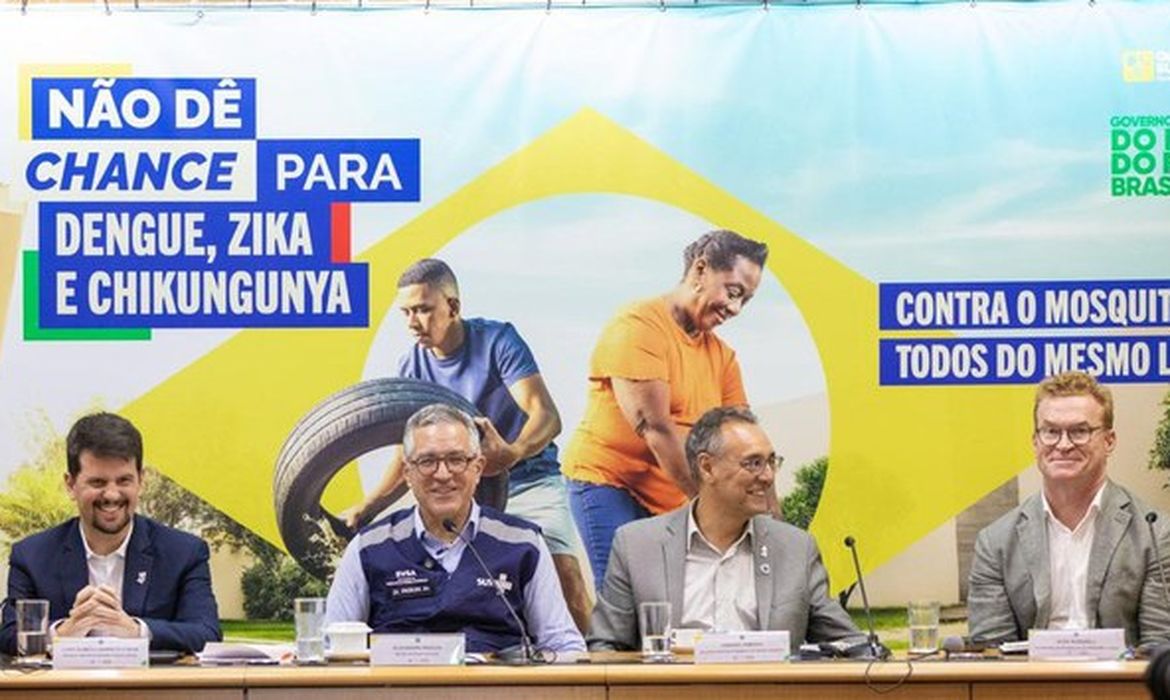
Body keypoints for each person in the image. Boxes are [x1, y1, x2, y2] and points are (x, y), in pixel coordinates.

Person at [345, 258, 590, 632]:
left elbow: (546, 415)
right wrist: (368, 506)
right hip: (458, 491)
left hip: (528, 480)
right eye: (406, 312)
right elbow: (407, 453)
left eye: (424, 310)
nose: (413, 322)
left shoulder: (497, 340)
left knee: (565, 574)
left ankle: (590, 671)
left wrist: (512, 453)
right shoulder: (411, 366)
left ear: (453, 307)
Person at [563, 229, 769, 589]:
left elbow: (745, 448)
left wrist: (769, 526)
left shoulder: (722, 357)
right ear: (701, 270)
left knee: (680, 599)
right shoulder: (637, 326)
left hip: (670, 490)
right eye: (733, 292)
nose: (735, 309)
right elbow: (655, 429)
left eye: (745, 301)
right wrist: (715, 512)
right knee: (630, 596)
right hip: (610, 481)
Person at [590, 406, 862, 653]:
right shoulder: (637, 545)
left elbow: (849, 644)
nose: (767, 476)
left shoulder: (795, 548)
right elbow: (605, 645)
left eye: (771, 462)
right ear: (707, 467)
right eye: (753, 463)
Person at [327, 403, 585, 655]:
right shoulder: (368, 547)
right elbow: (333, 647)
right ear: (407, 473)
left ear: (478, 468)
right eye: (427, 461)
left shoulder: (524, 544)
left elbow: (563, 646)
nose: (442, 474)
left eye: (456, 459)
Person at [968, 371, 1170, 648]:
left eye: (1080, 431)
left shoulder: (1156, 534)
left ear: (1109, 441)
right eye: (1051, 431)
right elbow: (991, 654)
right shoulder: (995, 543)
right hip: (1028, 689)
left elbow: (1160, 648)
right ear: (1035, 441)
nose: (1063, 445)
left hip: (1121, 688)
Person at [0, 412, 221, 654]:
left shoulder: (185, 553)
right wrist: (64, 633)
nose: (112, 495)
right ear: (70, 484)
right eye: (98, 483)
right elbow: (9, 636)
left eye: (124, 480)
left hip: (149, 692)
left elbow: (206, 633)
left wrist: (135, 630)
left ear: (141, 481)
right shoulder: (31, 556)